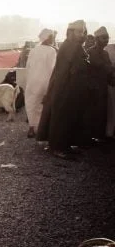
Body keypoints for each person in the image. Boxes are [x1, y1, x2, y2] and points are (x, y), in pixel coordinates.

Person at [36, 20, 91, 159]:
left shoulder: (75, 46)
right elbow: (68, 71)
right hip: (65, 89)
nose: (82, 34)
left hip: (71, 89)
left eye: (84, 31)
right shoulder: (69, 47)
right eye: (79, 31)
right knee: (61, 118)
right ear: (71, 32)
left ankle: (65, 145)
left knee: (69, 118)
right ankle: (58, 148)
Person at [25, 29, 57, 138]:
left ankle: (31, 128)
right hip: (45, 81)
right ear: (48, 38)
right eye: (52, 37)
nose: (53, 39)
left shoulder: (34, 50)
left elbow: (28, 66)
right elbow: (52, 69)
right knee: (42, 105)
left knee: (31, 104)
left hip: (32, 81)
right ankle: (41, 130)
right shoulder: (52, 51)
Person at [85, 26, 113, 142]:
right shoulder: (90, 52)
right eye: (103, 38)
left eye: (107, 38)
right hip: (91, 88)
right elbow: (101, 66)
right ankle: (88, 137)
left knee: (102, 112)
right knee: (91, 113)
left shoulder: (105, 53)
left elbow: (108, 69)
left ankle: (99, 136)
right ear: (97, 39)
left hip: (102, 87)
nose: (106, 40)